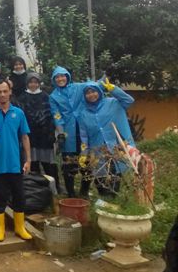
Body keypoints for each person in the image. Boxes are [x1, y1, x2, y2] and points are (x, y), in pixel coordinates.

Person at [0, 79, 32, 242]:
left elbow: (24, 136)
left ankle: (20, 227)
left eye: (5, 91)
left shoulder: (19, 113)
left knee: (19, 195)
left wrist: (28, 159)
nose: (2, 94)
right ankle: (0, 229)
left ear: (10, 92)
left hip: (16, 162)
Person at [77, 80, 135, 196]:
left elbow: (129, 101)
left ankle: (114, 197)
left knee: (115, 176)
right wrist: (84, 154)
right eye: (88, 93)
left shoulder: (113, 103)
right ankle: (104, 198)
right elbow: (84, 136)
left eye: (93, 91)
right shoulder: (83, 113)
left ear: (99, 91)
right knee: (101, 179)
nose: (91, 95)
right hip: (97, 151)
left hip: (115, 148)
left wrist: (114, 89)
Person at [50, 66, 89, 198]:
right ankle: (71, 193)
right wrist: (60, 133)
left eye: (63, 76)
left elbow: (93, 87)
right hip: (68, 132)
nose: (60, 79)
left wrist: (105, 81)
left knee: (87, 162)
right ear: (54, 80)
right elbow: (56, 115)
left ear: (67, 76)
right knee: (68, 164)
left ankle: (84, 191)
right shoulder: (54, 96)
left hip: (84, 128)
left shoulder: (77, 87)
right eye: (57, 77)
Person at [17, 72, 60, 192]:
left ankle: (54, 188)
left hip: (45, 137)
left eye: (35, 82)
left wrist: (52, 133)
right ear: (27, 83)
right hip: (30, 136)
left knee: (49, 165)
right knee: (33, 164)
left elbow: (51, 115)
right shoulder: (22, 98)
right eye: (30, 82)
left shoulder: (46, 97)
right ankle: (36, 190)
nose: (33, 84)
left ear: (39, 83)